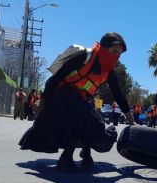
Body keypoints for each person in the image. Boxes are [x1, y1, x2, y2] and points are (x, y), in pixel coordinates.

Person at [19, 32, 135, 173]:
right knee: (82, 114)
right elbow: (56, 78)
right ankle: (66, 158)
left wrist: (129, 116)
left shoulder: (109, 71)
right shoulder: (84, 56)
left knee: (95, 122)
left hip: (82, 98)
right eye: (114, 51)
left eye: (119, 54)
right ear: (103, 47)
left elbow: (118, 94)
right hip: (61, 94)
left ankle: (86, 153)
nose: (116, 57)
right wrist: (42, 101)